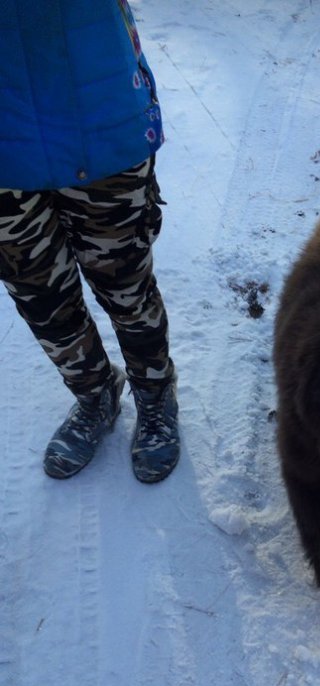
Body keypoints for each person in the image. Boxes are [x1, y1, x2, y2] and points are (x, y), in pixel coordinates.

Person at [0, 0, 179, 483]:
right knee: (42, 298)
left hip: (100, 119)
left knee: (125, 287)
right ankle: (95, 393)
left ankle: (155, 394)